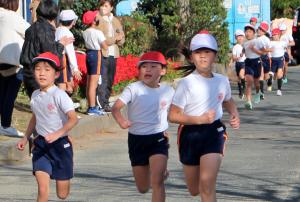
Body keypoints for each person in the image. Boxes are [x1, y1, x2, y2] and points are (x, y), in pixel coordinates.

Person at [168, 31, 240, 201]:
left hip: (214, 132)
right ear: (191, 57)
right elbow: (173, 115)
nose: (203, 57)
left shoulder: (222, 81)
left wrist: (234, 113)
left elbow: (228, 100)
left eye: (207, 52)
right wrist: (199, 119)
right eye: (198, 53)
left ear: (214, 55)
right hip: (189, 134)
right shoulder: (186, 84)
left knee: (207, 184)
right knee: (194, 190)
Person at [111, 51, 174, 202]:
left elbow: (176, 112)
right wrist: (121, 121)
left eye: (153, 66)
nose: (148, 69)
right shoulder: (133, 89)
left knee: (157, 181)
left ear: (163, 70)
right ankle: (159, 171)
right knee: (143, 188)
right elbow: (116, 108)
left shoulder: (168, 91)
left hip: (158, 138)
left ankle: (159, 170)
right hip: (136, 140)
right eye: (144, 66)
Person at [17, 52, 78, 202]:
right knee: (42, 189)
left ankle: (62, 177)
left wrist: (58, 134)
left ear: (56, 74)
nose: (42, 73)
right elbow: (35, 117)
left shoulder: (59, 95)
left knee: (62, 195)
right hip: (41, 146)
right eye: (38, 69)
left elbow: (73, 119)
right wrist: (25, 138)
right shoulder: (35, 95)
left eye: (47, 69)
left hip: (60, 146)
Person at [20, 0, 74, 98]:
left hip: (28, 72)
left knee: (37, 104)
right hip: (38, 73)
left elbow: (40, 48)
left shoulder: (31, 28)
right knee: (43, 106)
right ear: (54, 14)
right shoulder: (46, 30)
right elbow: (50, 56)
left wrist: (58, 43)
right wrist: (61, 44)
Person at [0, 0, 30, 137]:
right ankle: (5, 124)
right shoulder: (12, 17)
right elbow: (29, 31)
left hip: (1, 61)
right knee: (9, 96)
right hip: (13, 62)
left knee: (2, 93)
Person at [95, 0, 125, 112]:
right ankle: (101, 103)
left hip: (114, 54)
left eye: (106, 5)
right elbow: (102, 40)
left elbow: (122, 39)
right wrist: (115, 38)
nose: (103, 8)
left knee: (110, 79)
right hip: (103, 53)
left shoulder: (116, 21)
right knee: (103, 79)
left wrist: (120, 38)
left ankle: (106, 102)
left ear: (111, 8)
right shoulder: (98, 19)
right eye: (102, 5)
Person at [82, 10, 108, 116]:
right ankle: (92, 108)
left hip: (88, 54)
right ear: (93, 21)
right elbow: (105, 46)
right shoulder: (98, 32)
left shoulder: (85, 32)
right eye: (95, 17)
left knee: (89, 82)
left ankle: (91, 105)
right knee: (94, 83)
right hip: (96, 54)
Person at [55, 9, 82, 95]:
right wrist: (75, 68)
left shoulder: (56, 30)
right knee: (62, 87)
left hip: (55, 59)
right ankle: (60, 107)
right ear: (73, 22)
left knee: (63, 85)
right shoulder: (68, 33)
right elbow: (70, 52)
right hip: (62, 60)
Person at [251, 22, 272, 101]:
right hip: (258, 58)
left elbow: (268, 50)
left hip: (265, 57)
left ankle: (269, 80)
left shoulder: (266, 39)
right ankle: (261, 93)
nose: (259, 31)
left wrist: (269, 56)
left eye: (262, 30)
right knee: (261, 75)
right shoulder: (255, 38)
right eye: (259, 29)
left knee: (266, 76)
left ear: (265, 32)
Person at [243, 24, 261, 110]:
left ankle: (258, 92)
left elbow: (262, 52)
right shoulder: (244, 43)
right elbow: (243, 52)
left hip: (256, 62)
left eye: (249, 31)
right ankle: (248, 102)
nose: (247, 33)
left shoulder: (257, 41)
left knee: (256, 83)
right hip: (248, 62)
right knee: (249, 82)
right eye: (246, 31)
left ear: (253, 33)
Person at [268, 28, 287, 96]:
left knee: (279, 75)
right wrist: (269, 56)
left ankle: (279, 90)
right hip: (273, 60)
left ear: (279, 35)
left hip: (280, 60)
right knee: (272, 74)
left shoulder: (283, 42)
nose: (274, 36)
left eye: (275, 35)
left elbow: (287, 47)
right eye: (273, 35)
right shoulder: (271, 42)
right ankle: (270, 81)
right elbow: (268, 50)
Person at [231, 29, 246, 99]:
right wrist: (237, 57)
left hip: (244, 63)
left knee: (241, 74)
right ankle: (241, 91)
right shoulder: (235, 47)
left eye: (241, 36)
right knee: (239, 79)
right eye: (238, 36)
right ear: (236, 38)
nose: (240, 38)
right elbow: (233, 57)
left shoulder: (246, 45)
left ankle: (244, 88)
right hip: (238, 64)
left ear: (244, 37)